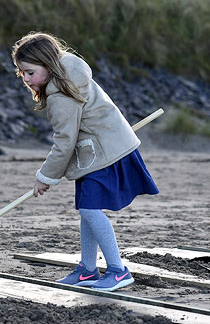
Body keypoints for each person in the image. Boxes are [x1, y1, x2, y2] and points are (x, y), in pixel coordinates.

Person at [12, 31, 158, 292]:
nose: (26, 79)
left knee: (90, 209)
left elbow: (64, 141)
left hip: (106, 152)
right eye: (21, 72)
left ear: (48, 64)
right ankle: (88, 270)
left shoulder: (60, 95)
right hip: (97, 151)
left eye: (30, 72)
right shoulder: (69, 73)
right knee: (87, 209)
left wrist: (45, 177)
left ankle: (118, 270)